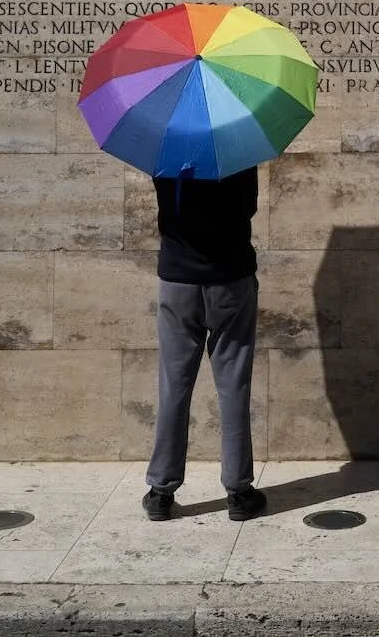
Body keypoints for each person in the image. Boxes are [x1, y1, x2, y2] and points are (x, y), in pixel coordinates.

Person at [142, 166, 267, 522]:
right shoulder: (239, 151)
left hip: (178, 280)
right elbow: (248, 208)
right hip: (231, 277)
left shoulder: (163, 153)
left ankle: (161, 491)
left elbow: (166, 210)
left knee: (174, 386)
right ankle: (239, 491)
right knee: (234, 386)